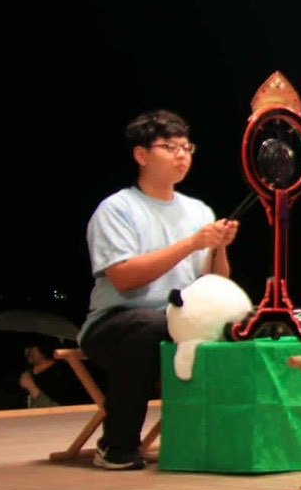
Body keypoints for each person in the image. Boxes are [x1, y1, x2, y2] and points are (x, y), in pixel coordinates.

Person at [81, 110, 239, 470]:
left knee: (240, 325)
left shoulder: (198, 210)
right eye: (170, 147)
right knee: (148, 326)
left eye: (187, 147)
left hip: (179, 319)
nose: (182, 155)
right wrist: (191, 243)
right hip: (115, 323)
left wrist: (218, 247)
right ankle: (117, 446)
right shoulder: (117, 209)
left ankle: (220, 442)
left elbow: (214, 282)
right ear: (141, 155)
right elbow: (124, 278)